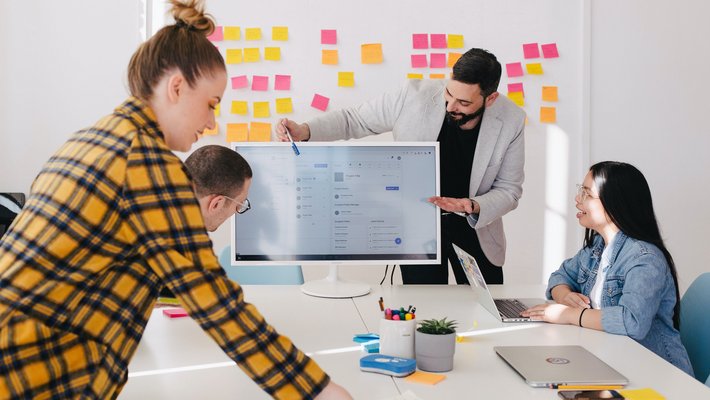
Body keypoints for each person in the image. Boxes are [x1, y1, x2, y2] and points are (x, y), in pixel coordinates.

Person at [0, 1, 351, 398]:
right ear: (177, 87)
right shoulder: (146, 163)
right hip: (30, 373)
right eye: (211, 105)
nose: (211, 123)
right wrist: (318, 391)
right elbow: (218, 306)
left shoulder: (90, 139)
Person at [277, 47, 525, 285]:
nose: (450, 106)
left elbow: (509, 189)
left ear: (490, 99)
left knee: (487, 311)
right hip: (417, 227)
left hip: (475, 226)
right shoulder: (412, 95)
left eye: (463, 103)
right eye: (448, 95)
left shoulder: (511, 119)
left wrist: (472, 205)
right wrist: (305, 131)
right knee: (425, 312)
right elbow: (354, 119)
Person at [521, 161, 693, 376]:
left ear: (616, 203)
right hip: (613, 360)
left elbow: (632, 322)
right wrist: (564, 295)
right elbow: (560, 276)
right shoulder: (597, 247)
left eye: (586, 194)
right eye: (579, 192)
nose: (577, 200)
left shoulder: (645, 258)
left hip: (657, 373)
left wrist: (569, 314)